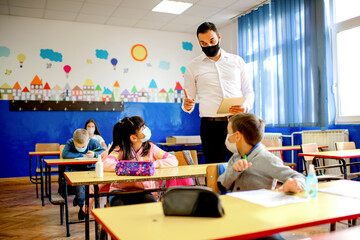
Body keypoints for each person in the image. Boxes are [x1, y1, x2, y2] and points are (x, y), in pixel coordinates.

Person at [218, 113, 305, 240]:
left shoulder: (266, 159)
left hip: (259, 219)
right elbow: (222, 184)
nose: (227, 138)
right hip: (236, 215)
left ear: (237, 136)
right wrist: (233, 170)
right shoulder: (236, 156)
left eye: (228, 133)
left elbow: (297, 176)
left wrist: (296, 183)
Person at [182, 22, 255, 164]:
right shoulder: (193, 66)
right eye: (203, 43)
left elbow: (249, 92)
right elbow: (188, 102)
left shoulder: (237, 61)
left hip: (237, 122)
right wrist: (187, 105)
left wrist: (245, 106)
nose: (209, 45)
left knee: (242, 165)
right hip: (211, 126)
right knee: (214, 169)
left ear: (219, 37)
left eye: (212, 41)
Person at [103, 116, 178, 206]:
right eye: (142, 128)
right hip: (119, 191)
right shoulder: (120, 150)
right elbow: (106, 164)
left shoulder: (150, 148)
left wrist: (153, 165)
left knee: (151, 205)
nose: (146, 129)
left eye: (145, 126)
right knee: (118, 207)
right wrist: (136, 168)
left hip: (144, 191)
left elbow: (173, 159)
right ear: (133, 138)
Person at [62, 128, 105, 220]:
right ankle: (81, 202)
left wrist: (94, 154)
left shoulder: (93, 142)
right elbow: (65, 154)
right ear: (73, 141)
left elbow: (103, 151)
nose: (81, 148)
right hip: (76, 170)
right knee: (80, 189)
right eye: (78, 147)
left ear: (88, 140)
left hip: (91, 170)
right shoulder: (70, 142)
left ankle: (82, 206)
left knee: (92, 188)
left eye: (83, 146)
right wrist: (82, 155)